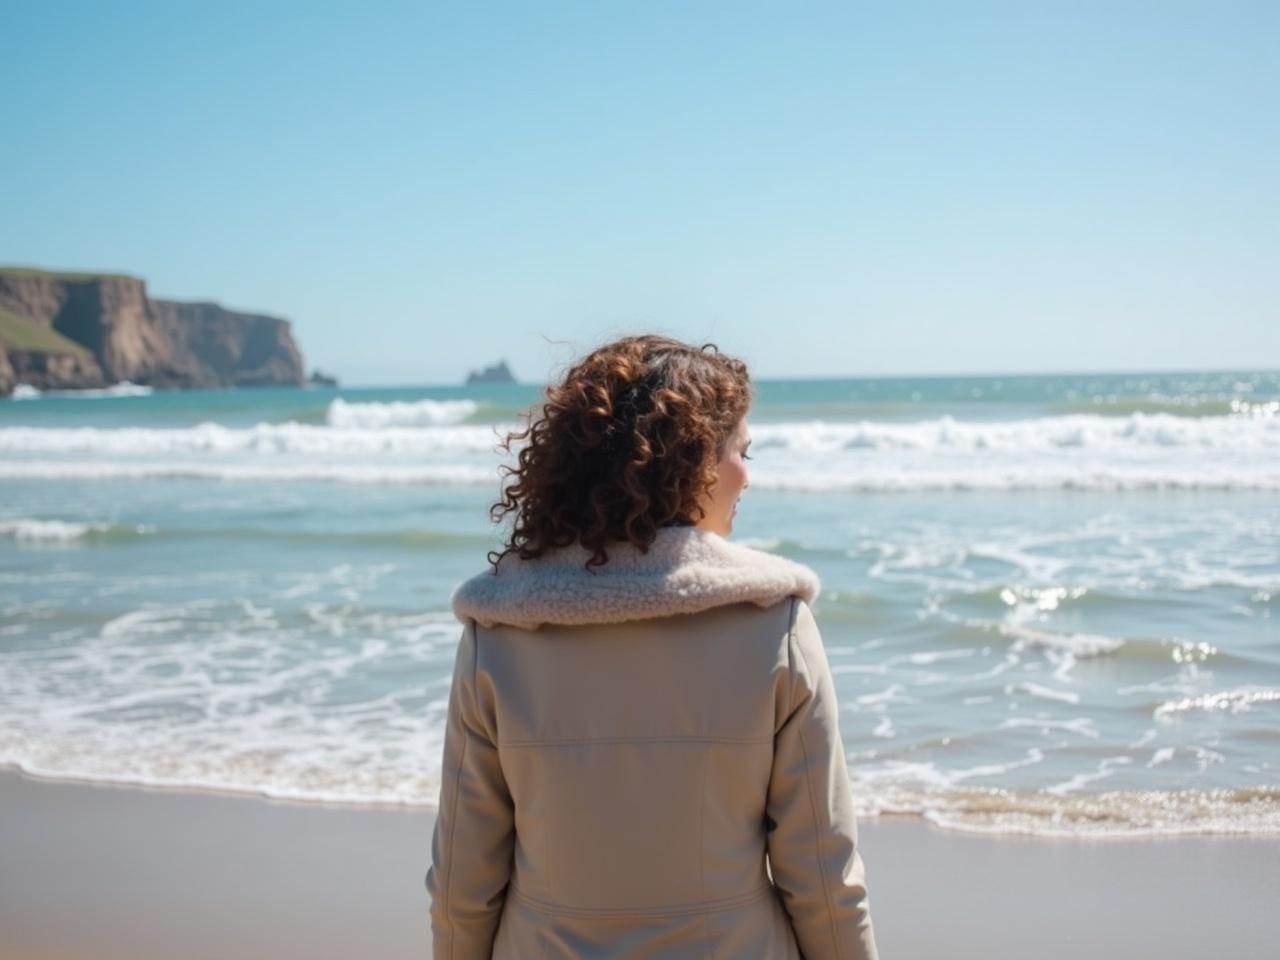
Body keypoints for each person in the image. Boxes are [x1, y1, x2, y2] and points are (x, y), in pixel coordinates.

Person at [425, 334, 879, 959]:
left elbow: (460, 882)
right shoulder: (775, 626)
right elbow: (825, 879)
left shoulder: (499, 631)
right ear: (694, 462)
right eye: (741, 451)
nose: (747, 475)